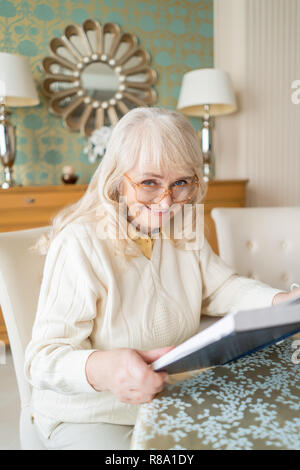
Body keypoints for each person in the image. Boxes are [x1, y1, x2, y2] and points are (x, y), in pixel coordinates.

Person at [24, 107, 300, 450]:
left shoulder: (183, 222)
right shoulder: (80, 243)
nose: (167, 201)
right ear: (116, 179)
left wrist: (282, 303)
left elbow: (220, 287)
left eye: (181, 182)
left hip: (167, 398)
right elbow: (43, 360)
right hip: (92, 415)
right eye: (149, 182)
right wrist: (107, 369)